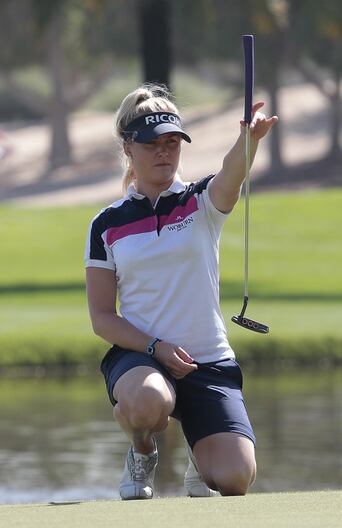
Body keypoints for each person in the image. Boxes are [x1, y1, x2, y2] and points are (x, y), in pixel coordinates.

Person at [84, 83, 278, 500]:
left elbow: (231, 175)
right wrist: (155, 346)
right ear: (128, 147)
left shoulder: (200, 203)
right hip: (139, 358)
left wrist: (249, 140)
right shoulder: (106, 224)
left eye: (172, 142)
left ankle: (198, 455)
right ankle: (142, 452)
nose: (164, 152)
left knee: (235, 479)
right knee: (148, 401)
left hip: (207, 360)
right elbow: (102, 317)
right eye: (152, 143)